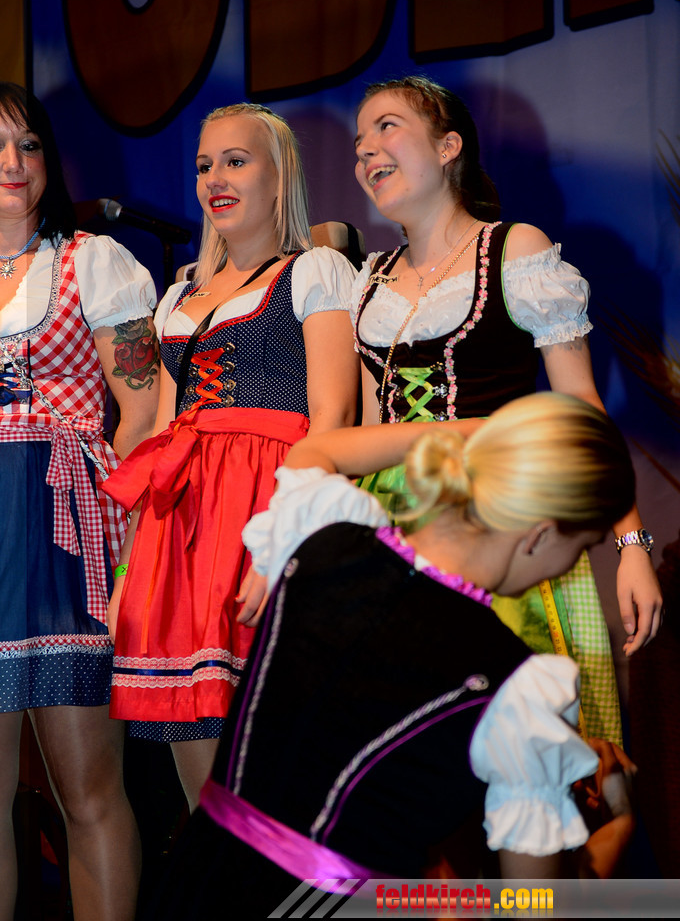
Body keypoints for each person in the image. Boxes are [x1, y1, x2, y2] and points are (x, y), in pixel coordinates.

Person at [144, 392, 638, 917]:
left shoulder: (322, 537)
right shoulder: (515, 685)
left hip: (195, 882)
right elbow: (532, 906)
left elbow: (321, 451)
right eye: (579, 549)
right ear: (540, 535)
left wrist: (486, 436)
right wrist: (621, 823)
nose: (567, 568)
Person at [350, 76, 662, 743]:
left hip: (507, 514)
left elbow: (582, 408)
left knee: (524, 736)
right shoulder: (367, 279)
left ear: (448, 147)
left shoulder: (515, 250)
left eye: (386, 127)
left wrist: (631, 545)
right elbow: (372, 430)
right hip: (396, 532)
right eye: (358, 141)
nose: (366, 149)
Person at [105, 103, 358, 812]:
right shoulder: (176, 299)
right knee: (204, 793)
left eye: (235, 162)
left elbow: (333, 419)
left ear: (280, 176)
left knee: (276, 772)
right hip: (179, 530)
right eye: (203, 166)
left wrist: (279, 544)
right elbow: (159, 436)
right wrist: (128, 571)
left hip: (265, 512)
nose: (215, 178)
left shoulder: (314, 272)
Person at [0, 83, 158, 921]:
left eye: (28, 144)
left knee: (88, 789)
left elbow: (144, 410)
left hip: (64, 535)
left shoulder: (91, 260)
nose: (13, 163)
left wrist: (122, 528)